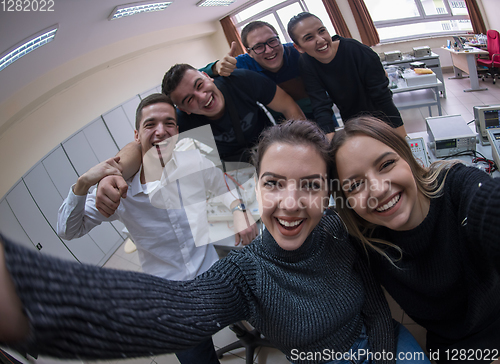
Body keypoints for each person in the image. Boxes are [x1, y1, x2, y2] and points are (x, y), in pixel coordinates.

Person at [0, 120, 431, 364]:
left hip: (382, 342)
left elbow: (374, 304)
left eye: (310, 185)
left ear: (327, 189)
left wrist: (380, 356)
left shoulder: (337, 228)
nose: (291, 203)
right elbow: (171, 313)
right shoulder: (245, 272)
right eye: (274, 183)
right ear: (256, 187)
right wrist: (22, 294)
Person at [56, 93, 258, 364]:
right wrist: (82, 186)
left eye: (169, 124)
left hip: (215, 274)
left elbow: (223, 186)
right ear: (137, 135)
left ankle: (249, 331)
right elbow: (68, 230)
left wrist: (238, 210)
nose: (161, 131)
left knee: (272, 314)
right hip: (170, 297)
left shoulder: (193, 162)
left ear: (177, 130)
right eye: (151, 124)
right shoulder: (119, 192)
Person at [330, 116, 500, 364]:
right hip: (453, 349)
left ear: (408, 157)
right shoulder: (365, 239)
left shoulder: (458, 188)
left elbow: (489, 207)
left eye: (386, 164)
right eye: (355, 184)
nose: (377, 189)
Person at [199, 20, 338, 136]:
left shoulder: (299, 53)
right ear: (249, 52)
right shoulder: (243, 64)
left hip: (323, 117)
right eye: (259, 46)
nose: (269, 50)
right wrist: (215, 67)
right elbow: (191, 76)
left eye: (272, 41)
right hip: (284, 127)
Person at [287, 12, 407, 139]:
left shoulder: (357, 51)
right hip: (353, 124)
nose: (320, 40)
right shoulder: (306, 63)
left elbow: (383, 98)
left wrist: (403, 138)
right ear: (298, 47)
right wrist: (329, 149)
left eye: (322, 31)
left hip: (383, 120)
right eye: (309, 38)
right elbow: (320, 105)